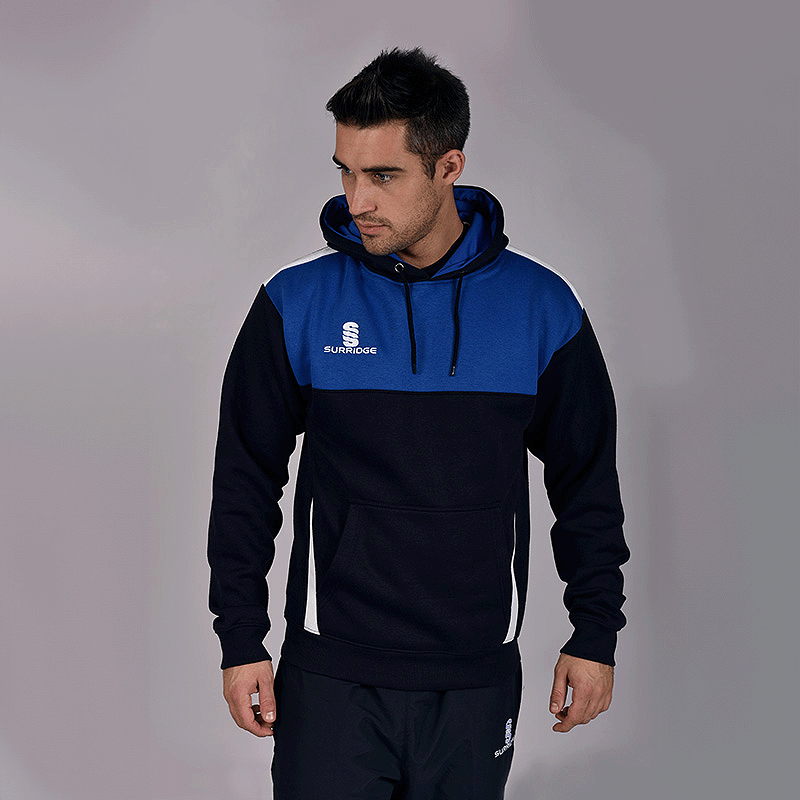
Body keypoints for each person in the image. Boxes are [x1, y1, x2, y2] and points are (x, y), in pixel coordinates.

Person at [208, 47, 629, 799]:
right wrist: (241, 639)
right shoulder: (296, 304)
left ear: (448, 167)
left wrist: (595, 632)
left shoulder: (541, 307)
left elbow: (586, 480)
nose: (356, 199)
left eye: (383, 175)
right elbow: (245, 478)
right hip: (331, 675)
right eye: (345, 172)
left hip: (474, 677)